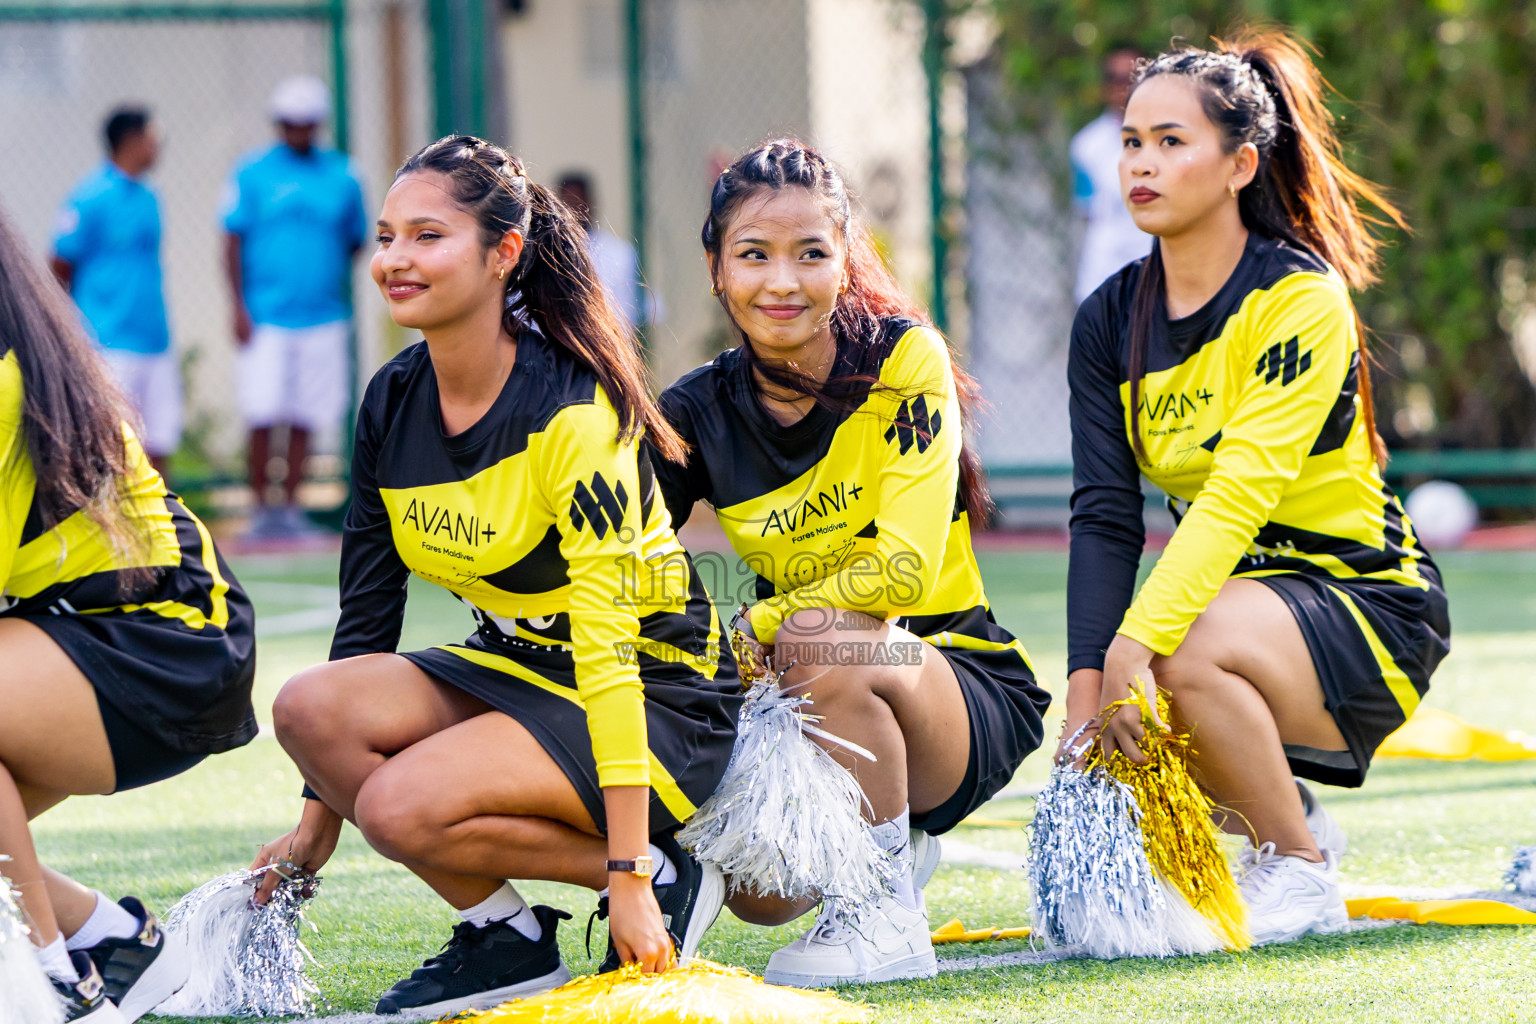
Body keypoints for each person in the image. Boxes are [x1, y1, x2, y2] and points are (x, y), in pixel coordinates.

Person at [253, 136, 742, 1018]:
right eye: (387, 236)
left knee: (403, 807)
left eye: (428, 236)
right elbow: (367, 615)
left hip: (660, 692)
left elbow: (607, 645)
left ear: (503, 253)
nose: (396, 260)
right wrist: (312, 830)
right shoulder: (392, 399)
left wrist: (626, 870)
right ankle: (507, 940)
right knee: (309, 706)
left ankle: (667, 871)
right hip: (520, 668)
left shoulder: (571, 409)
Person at [1064, 29, 1450, 946]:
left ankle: (1298, 869)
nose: (1142, 165)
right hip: (1238, 609)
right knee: (1135, 687)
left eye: (1171, 142)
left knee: (1166, 650)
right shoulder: (1110, 318)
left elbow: (1239, 493)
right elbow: (1105, 516)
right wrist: (1086, 699)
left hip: (1365, 604)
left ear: (1240, 165)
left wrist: (1132, 649)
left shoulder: (1297, 298)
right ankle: (1295, 814)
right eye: (1131, 141)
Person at [651, 139, 1051, 987]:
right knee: (762, 893)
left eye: (810, 254)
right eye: (753, 255)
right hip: (802, 691)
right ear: (718, 269)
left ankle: (882, 919)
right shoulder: (696, 409)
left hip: (954, 681)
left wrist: (752, 624)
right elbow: (621, 550)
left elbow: (902, 574)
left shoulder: (904, 359)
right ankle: (892, 842)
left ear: (844, 258)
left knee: (814, 631)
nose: (782, 283)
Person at [0, 208, 257, 1021]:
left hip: (168, 638)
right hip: (88, 642)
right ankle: (116, 943)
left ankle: (52, 983)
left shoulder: (5, 380)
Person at [222, 74, 369, 538]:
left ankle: (290, 510)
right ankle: (261, 510)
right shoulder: (250, 173)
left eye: (306, 123)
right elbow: (230, 239)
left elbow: (355, 240)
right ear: (278, 124)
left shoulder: (345, 176)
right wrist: (238, 307)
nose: (298, 131)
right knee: (263, 412)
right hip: (265, 314)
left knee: (307, 412)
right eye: (290, 123)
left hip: (323, 316)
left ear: (318, 124)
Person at [51, 106, 179, 479]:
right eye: (152, 137)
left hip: (155, 339)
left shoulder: (150, 196)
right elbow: (60, 265)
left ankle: (161, 524)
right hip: (107, 339)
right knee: (115, 439)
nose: (158, 146)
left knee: (160, 436)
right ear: (132, 140)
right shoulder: (89, 197)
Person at [1071, 45, 1152, 304]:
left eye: (1131, 78)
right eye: (1114, 78)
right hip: (1104, 278)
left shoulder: (1172, 139)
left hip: (1158, 274)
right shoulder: (1086, 146)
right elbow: (1087, 212)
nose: (1122, 87)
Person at [555, 172, 656, 330]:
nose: (573, 210)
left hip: (614, 346)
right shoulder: (547, 255)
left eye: (578, 202)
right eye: (567, 203)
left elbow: (650, 311)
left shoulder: (621, 253)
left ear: (592, 204)